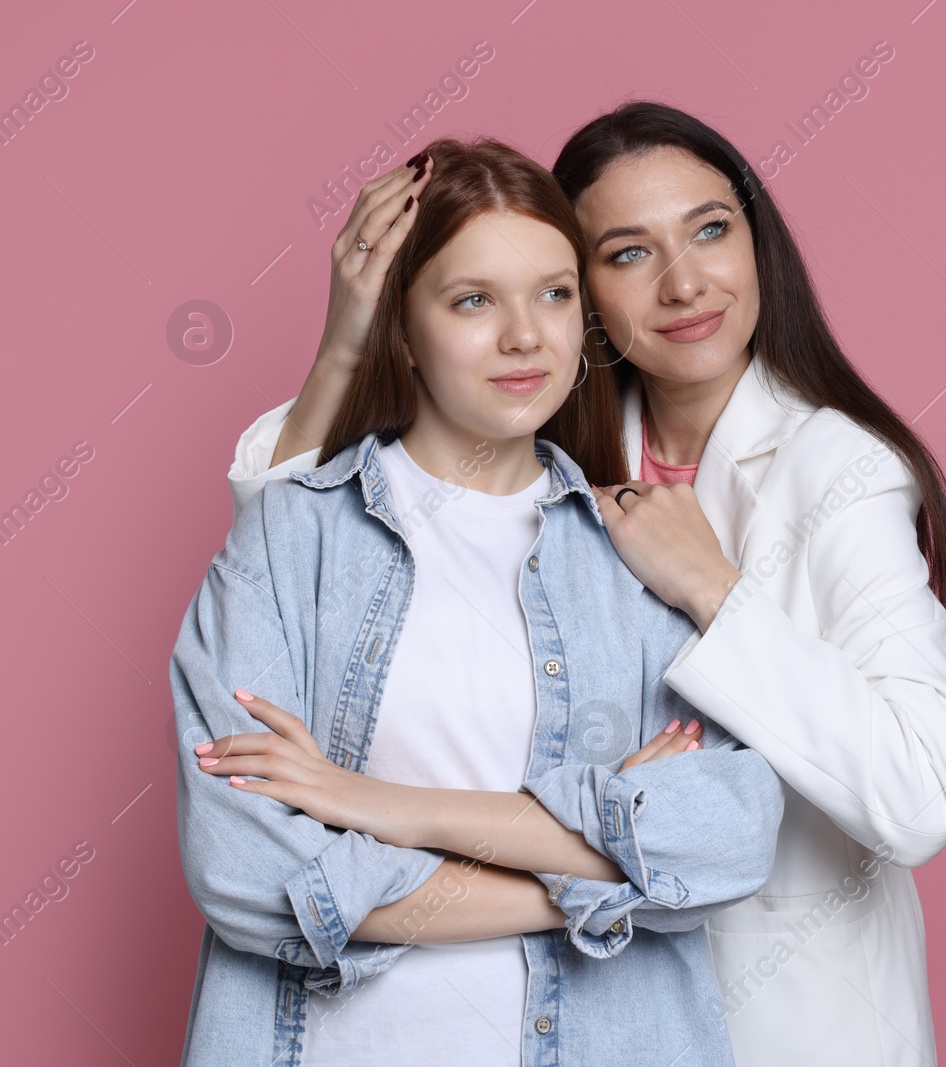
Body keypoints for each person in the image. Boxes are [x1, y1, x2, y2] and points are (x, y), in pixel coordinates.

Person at [227, 102, 946, 1066]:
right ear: (580, 293)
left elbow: (917, 796)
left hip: (791, 1016)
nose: (686, 282)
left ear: (759, 244)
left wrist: (714, 590)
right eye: (625, 254)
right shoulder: (541, 434)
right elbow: (280, 577)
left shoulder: (839, 472)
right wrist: (344, 345)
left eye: (711, 229)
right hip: (593, 1008)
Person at [172, 136, 783, 1067]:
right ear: (404, 331)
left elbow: (727, 839)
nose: (524, 337)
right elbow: (248, 871)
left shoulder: (643, 553)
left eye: (554, 293)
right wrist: (603, 873)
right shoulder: (291, 539)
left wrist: (370, 806)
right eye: (471, 301)